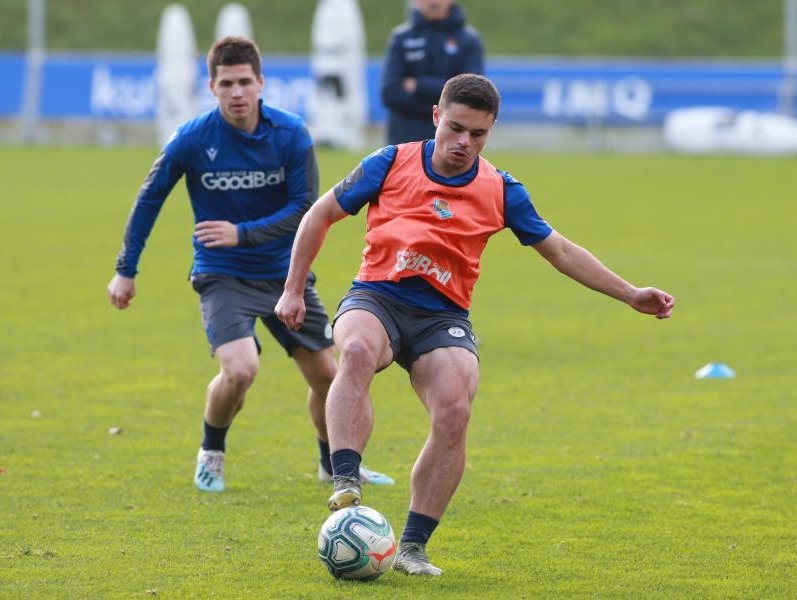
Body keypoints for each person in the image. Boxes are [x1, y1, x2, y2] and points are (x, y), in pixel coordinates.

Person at [275, 73, 675, 576]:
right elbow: (319, 215)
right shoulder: (390, 162)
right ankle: (346, 481)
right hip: (378, 295)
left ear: (490, 132)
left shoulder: (501, 189)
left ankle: (413, 548)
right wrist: (292, 288)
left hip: (443, 316)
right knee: (353, 352)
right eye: (456, 128)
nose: (464, 143)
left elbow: (562, 251)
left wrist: (630, 293)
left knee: (455, 408)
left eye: (478, 134)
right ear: (437, 116)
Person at [106, 36, 391, 493]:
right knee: (239, 370)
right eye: (226, 83)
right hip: (222, 276)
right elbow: (149, 198)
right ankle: (211, 454)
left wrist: (243, 232)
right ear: (212, 87)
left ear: (261, 83)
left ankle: (333, 466)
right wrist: (126, 268)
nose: (236, 92)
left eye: (244, 82)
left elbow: (304, 207)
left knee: (328, 377)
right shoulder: (192, 138)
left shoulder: (291, 133)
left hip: (285, 276)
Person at [381, 0, 484, 145]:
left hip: (452, 145)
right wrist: (444, 100)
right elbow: (389, 93)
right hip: (404, 143)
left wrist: (418, 85)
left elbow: (470, 94)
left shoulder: (469, 40)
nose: (433, 2)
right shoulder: (401, 38)